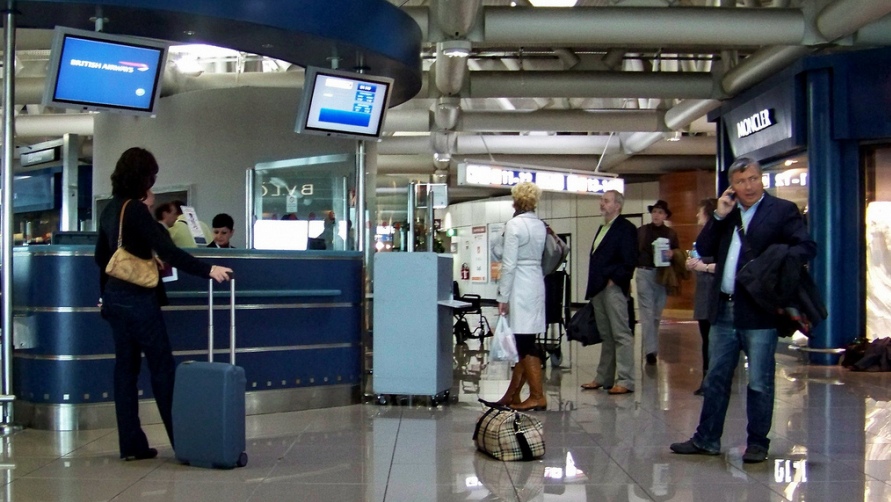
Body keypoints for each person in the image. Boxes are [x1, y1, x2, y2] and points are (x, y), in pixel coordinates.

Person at [670, 157, 816, 464]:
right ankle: (707, 439)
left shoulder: (782, 210)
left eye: (752, 179)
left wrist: (776, 261)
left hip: (759, 309)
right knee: (716, 378)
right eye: (740, 181)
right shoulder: (728, 214)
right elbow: (704, 248)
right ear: (731, 186)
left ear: (761, 179)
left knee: (759, 380)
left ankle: (758, 443)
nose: (747, 186)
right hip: (724, 308)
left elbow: (805, 247)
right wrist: (719, 215)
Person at [95, 147, 233, 461]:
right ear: (143, 177)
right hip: (138, 299)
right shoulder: (135, 209)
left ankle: (131, 445)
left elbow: (101, 257)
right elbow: (167, 250)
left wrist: (105, 297)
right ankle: (183, 442)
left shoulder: (110, 209)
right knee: (162, 369)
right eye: (151, 176)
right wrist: (208, 269)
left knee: (125, 371)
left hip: (114, 298)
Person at [493, 182, 548, 411]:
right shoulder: (540, 225)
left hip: (519, 287)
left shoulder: (514, 225)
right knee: (525, 340)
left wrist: (502, 296)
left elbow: (508, 264)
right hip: (536, 282)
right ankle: (513, 395)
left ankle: (537, 396)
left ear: (516, 200)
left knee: (524, 344)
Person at [580, 189, 639, 395]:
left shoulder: (626, 228)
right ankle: (603, 377)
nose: (601, 203)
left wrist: (614, 280)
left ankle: (626, 379)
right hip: (598, 288)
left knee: (621, 334)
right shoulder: (603, 227)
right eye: (601, 200)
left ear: (617, 205)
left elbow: (629, 259)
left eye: (606, 201)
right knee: (606, 335)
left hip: (612, 288)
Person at [636, 199, 680, 365]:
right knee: (647, 313)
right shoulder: (642, 231)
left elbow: (679, 252)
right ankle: (650, 351)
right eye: (654, 211)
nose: (656, 215)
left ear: (665, 216)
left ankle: (651, 347)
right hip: (644, 272)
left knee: (656, 315)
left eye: (660, 212)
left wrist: (672, 254)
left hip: (662, 275)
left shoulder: (671, 234)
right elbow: (633, 252)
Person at [685, 198, 718, 396]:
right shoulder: (704, 237)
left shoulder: (717, 237)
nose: (697, 215)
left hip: (713, 293)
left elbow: (722, 264)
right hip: (704, 293)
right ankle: (707, 378)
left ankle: (712, 379)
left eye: (700, 211)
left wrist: (702, 266)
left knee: (712, 339)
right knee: (706, 339)